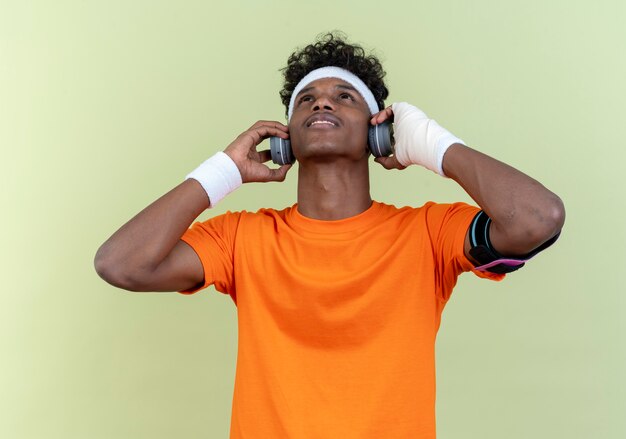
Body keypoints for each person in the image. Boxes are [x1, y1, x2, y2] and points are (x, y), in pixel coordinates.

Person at [95, 32, 565, 438]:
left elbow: (536, 218)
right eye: (307, 98)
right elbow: (122, 264)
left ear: (379, 133)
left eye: (345, 96)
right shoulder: (242, 238)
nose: (322, 102)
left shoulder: (427, 233)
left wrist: (436, 146)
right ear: (284, 140)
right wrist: (221, 173)